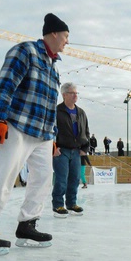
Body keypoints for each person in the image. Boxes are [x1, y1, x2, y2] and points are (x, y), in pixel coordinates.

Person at [0, 12, 69, 256]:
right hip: (17, 126)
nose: (67, 42)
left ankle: (27, 224)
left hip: (43, 134)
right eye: (66, 36)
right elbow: (5, 84)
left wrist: (53, 136)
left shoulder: (54, 67)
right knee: (4, 177)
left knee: (43, 179)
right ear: (53, 33)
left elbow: (49, 104)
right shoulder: (25, 51)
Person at [52, 82, 90, 218]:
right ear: (64, 95)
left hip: (76, 151)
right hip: (61, 151)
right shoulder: (57, 111)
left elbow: (86, 131)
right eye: (72, 93)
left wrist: (85, 148)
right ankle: (58, 205)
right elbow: (50, 131)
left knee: (74, 179)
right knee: (61, 179)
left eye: (76, 93)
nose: (75, 95)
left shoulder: (81, 112)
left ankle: (71, 203)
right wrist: (53, 148)